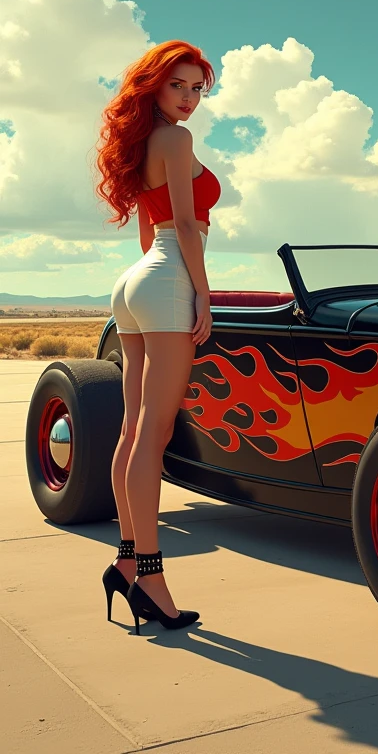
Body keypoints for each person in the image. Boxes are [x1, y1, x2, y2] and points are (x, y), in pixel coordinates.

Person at [95, 40, 221, 632]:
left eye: (199, 88)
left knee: (132, 429)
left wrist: (162, 281)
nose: (190, 99)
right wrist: (202, 293)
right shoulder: (175, 140)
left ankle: (125, 562)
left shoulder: (145, 142)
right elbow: (188, 230)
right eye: (180, 86)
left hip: (135, 283)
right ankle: (150, 574)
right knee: (154, 433)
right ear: (154, 85)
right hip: (168, 278)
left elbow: (150, 232)